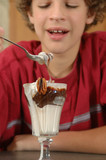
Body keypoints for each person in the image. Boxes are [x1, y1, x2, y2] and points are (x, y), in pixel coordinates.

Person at [0, 0, 106, 153]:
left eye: (71, 5)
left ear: (90, 13)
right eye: (44, 5)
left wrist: (37, 142)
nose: (57, 15)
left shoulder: (101, 54)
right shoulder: (9, 66)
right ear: (30, 13)